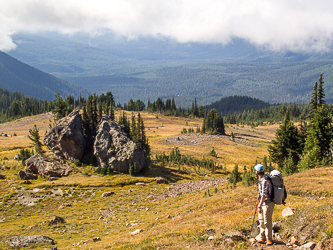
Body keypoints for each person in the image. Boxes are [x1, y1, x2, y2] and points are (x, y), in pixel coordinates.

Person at [255, 164, 274, 245]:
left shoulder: (265, 180)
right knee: (261, 221)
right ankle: (262, 237)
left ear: (258, 171)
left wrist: (259, 205)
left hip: (267, 203)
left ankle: (269, 239)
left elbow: (264, 195)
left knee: (267, 221)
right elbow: (261, 192)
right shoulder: (261, 179)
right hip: (262, 202)